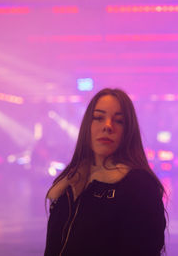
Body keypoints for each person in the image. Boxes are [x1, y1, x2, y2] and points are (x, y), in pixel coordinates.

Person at [44, 88, 167, 256]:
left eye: (119, 121)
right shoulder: (68, 184)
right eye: (99, 118)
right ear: (88, 125)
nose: (107, 126)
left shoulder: (140, 185)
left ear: (128, 130)